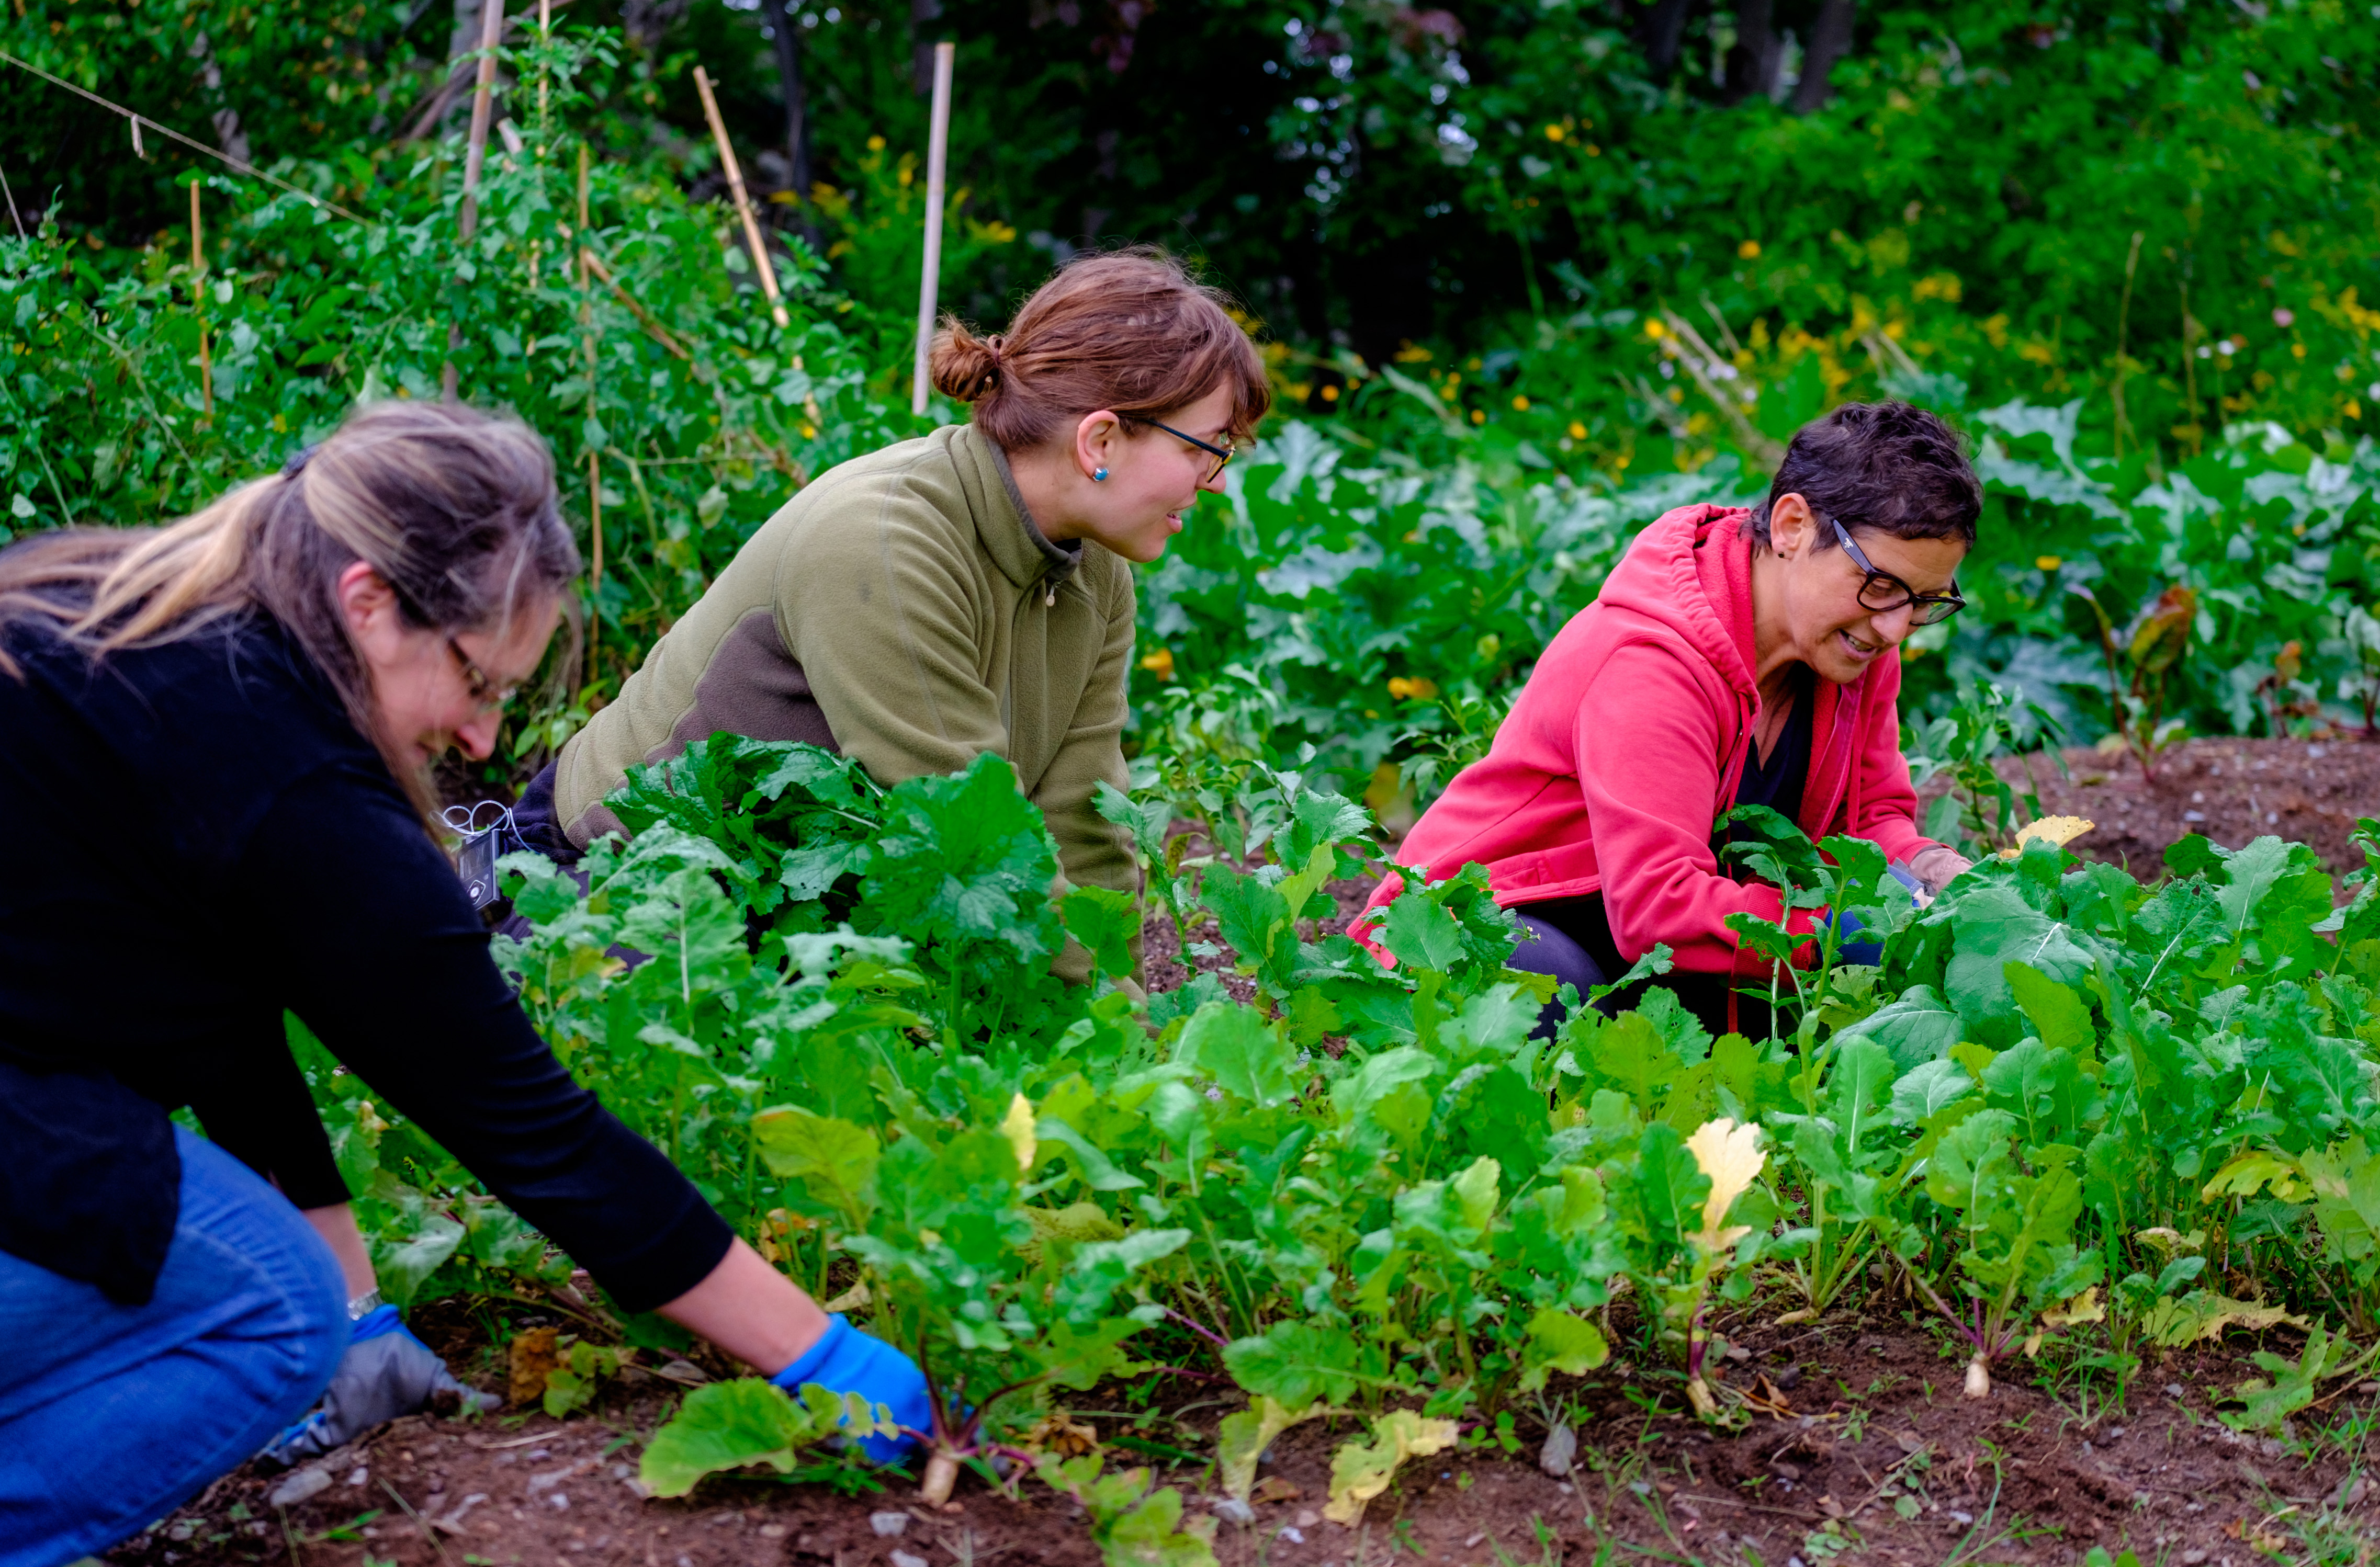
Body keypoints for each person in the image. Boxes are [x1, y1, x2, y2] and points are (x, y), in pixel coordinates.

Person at [0, 404, 930, 1567]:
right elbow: (534, 1134)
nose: (486, 741)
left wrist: (362, 1312)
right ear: (368, 602)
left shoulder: (114, 616)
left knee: (269, 1283)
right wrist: (822, 1355)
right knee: (265, 1313)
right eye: (478, 682)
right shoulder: (296, 793)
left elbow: (222, 1022)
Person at [517, 248, 1270, 976]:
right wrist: (1113, 1039)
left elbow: (1083, 822)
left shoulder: (1095, 568)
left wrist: (1124, 1035)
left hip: (799, 916)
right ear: (1100, 438)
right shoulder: (883, 541)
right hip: (619, 886)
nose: (1214, 484)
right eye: (1205, 449)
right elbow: (967, 846)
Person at [1359, 401, 1979, 1035]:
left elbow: (1868, 819)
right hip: (1488, 918)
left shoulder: (1853, 643)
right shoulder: (1652, 658)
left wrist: (1940, 875)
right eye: (1879, 586)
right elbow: (1659, 904)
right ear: (1793, 526)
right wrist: (1836, 930)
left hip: (1657, 940)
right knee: (1547, 1000)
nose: (1896, 626)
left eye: (1925, 601)